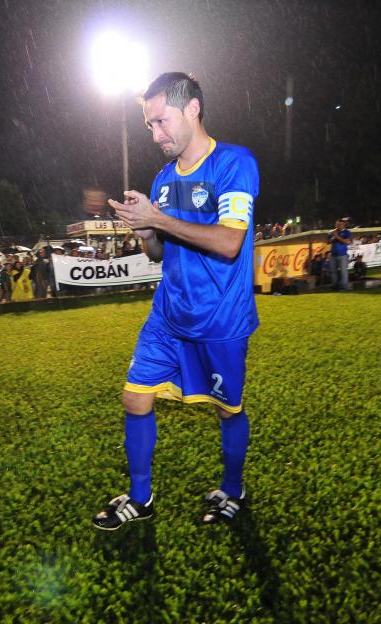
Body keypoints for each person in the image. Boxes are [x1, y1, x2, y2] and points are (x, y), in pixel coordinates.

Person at [93, 72, 258, 530]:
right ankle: (141, 498)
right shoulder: (164, 179)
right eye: (149, 125)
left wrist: (160, 218)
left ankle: (233, 490)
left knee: (229, 409)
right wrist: (147, 230)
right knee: (134, 399)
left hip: (220, 318)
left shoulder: (234, 163)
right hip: (168, 314)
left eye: (161, 121)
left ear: (192, 109)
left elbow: (228, 243)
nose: (156, 134)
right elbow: (161, 253)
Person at [328, 218, 352, 291]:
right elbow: (328, 241)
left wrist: (336, 236)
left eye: (340, 224)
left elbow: (347, 242)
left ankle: (344, 287)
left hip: (343, 255)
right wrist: (333, 237)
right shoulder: (331, 232)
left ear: (343, 225)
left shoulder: (347, 232)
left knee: (343, 272)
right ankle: (334, 286)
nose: (338, 226)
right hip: (333, 255)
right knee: (333, 271)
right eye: (337, 224)